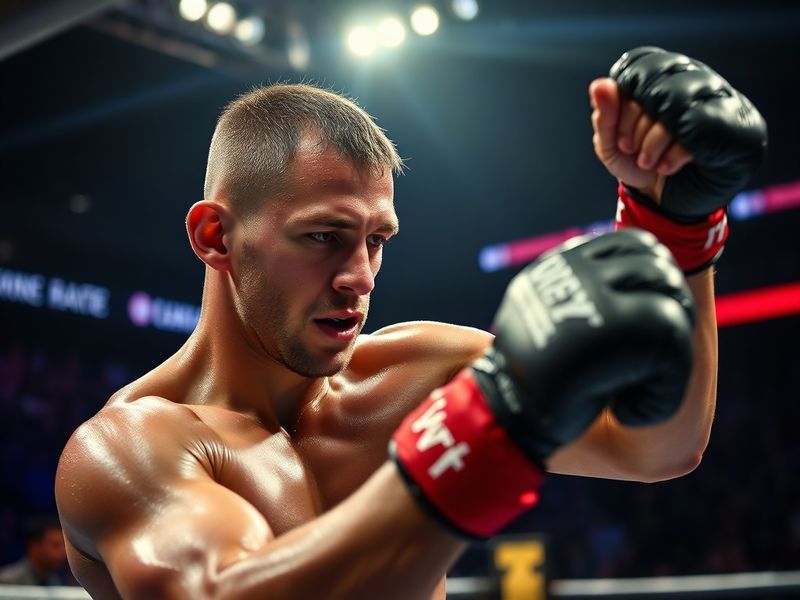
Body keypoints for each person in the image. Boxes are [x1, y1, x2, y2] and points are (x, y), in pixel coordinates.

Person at [55, 47, 766, 599]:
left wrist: (674, 226)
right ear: (216, 237)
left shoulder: (417, 373)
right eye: (322, 236)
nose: (359, 276)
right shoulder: (129, 452)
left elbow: (655, 449)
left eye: (376, 241)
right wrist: (474, 438)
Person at [0, 515, 69, 586]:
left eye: (64, 546)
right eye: (55, 546)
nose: (63, 552)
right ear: (34, 547)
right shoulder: (7, 581)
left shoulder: (56, 582)